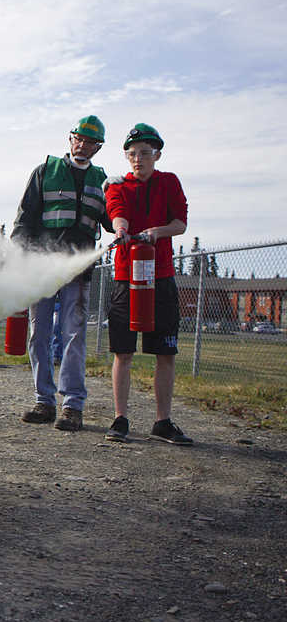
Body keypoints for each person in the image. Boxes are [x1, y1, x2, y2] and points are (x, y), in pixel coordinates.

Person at [11, 116, 114, 431]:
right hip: (42, 268)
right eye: (78, 139)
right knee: (38, 333)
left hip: (78, 271)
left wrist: (124, 200)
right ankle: (44, 400)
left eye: (91, 142)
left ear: (98, 147)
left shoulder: (102, 181)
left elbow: (112, 221)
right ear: (70, 139)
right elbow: (24, 219)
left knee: (73, 335)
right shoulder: (45, 173)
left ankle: (72, 406)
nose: (83, 146)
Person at [103, 123, 191, 445]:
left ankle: (162, 421)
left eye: (144, 153)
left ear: (157, 154)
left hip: (162, 278)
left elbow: (180, 223)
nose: (137, 159)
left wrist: (157, 231)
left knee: (164, 353)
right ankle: (120, 418)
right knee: (122, 352)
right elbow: (117, 213)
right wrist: (121, 229)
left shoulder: (169, 183)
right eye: (131, 154)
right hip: (126, 280)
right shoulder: (118, 187)